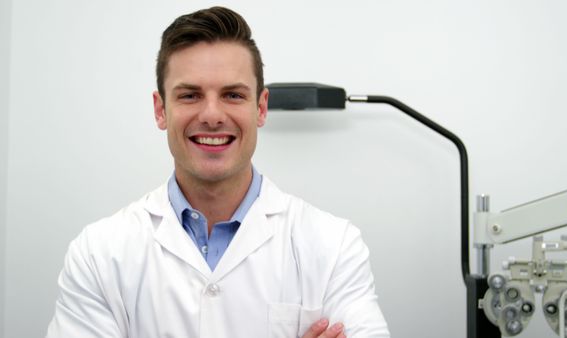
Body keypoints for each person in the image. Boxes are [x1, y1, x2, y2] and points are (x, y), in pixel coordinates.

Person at [46, 6, 389, 338]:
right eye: (191, 95)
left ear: (261, 107)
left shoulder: (334, 246)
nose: (212, 115)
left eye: (233, 95)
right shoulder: (99, 253)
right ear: (160, 109)